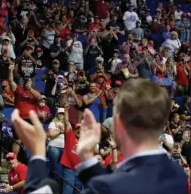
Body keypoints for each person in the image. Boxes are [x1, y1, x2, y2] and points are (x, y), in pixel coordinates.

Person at [10, 79, 188, 194]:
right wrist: (87, 158)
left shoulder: (109, 187)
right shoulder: (178, 174)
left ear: (117, 123)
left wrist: (38, 154)